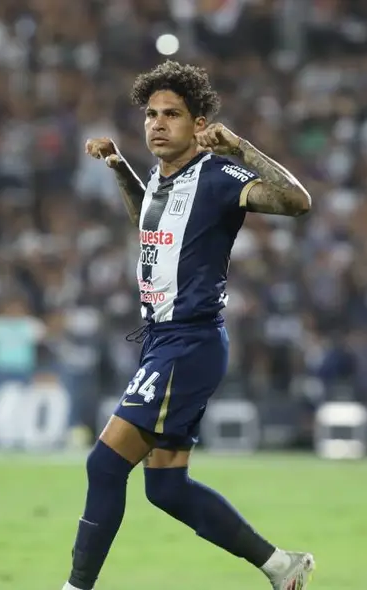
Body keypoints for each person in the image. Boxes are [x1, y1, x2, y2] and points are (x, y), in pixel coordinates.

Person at [62, 61, 314, 590]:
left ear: (200, 124)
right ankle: (281, 567)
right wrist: (119, 168)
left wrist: (242, 147)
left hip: (188, 342)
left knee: (104, 466)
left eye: (172, 115)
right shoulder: (161, 174)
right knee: (167, 489)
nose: (157, 123)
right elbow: (148, 219)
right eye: (151, 114)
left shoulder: (220, 176)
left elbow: (296, 202)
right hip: (164, 341)